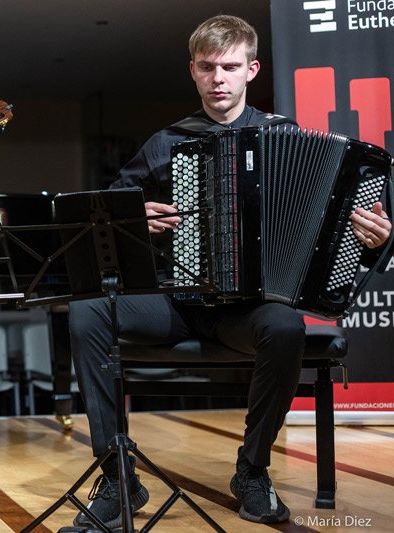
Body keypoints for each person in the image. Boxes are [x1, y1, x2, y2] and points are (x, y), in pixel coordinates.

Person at [68, 14, 392, 528]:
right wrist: (135, 219)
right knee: (87, 312)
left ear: (252, 70)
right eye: (207, 67)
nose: (219, 78)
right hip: (178, 301)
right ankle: (116, 476)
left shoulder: (284, 136)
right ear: (193, 72)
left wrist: (374, 239)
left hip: (249, 312)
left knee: (286, 325)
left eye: (230, 67)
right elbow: (105, 217)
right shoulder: (166, 142)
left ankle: (252, 470)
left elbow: (340, 232)